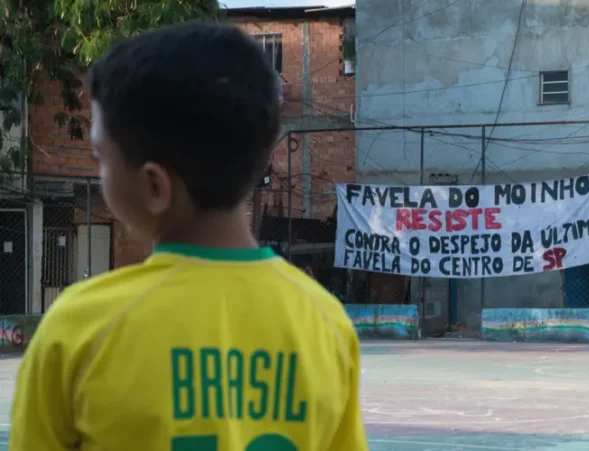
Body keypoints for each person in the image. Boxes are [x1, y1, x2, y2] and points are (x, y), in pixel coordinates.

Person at [10, 22, 367, 451]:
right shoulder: (325, 322)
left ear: (155, 186)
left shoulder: (79, 327)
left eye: (101, 157)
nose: (98, 173)